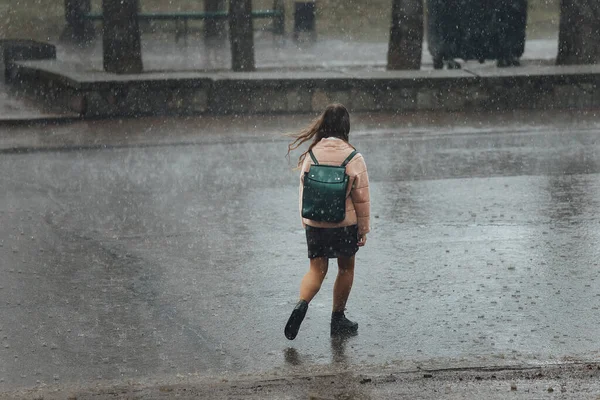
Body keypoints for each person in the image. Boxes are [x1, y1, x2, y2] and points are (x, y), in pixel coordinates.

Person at [284, 103, 371, 340]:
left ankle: (301, 305)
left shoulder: (312, 154)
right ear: (346, 127)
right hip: (344, 224)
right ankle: (338, 319)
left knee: (316, 270)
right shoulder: (353, 156)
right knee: (345, 268)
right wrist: (363, 230)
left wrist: (307, 222)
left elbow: (304, 192)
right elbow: (361, 198)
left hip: (316, 223)